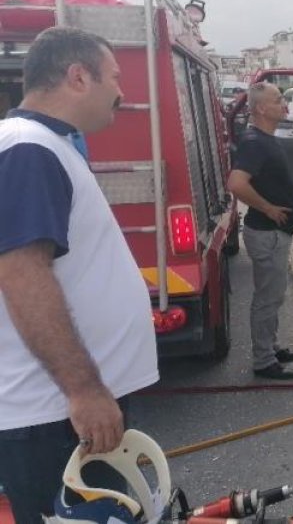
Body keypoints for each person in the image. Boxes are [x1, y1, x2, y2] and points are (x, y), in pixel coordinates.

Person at [0, 27, 159, 521]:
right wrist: (84, 391)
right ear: (77, 77)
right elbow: (22, 276)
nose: (121, 91)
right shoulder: (29, 149)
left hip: (63, 413)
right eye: (113, 77)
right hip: (53, 418)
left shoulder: (45, 145)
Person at [227, 82, 293, 379]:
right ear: (261, 108)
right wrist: (268, 208)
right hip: (267, 233)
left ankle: (271, 347)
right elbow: (236, 184)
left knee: (274, 295)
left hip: (275, 234)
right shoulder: (255, 142)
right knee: (267, 298)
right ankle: (263, 361)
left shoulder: (264, 138)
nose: (283, 103)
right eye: (278, 99)